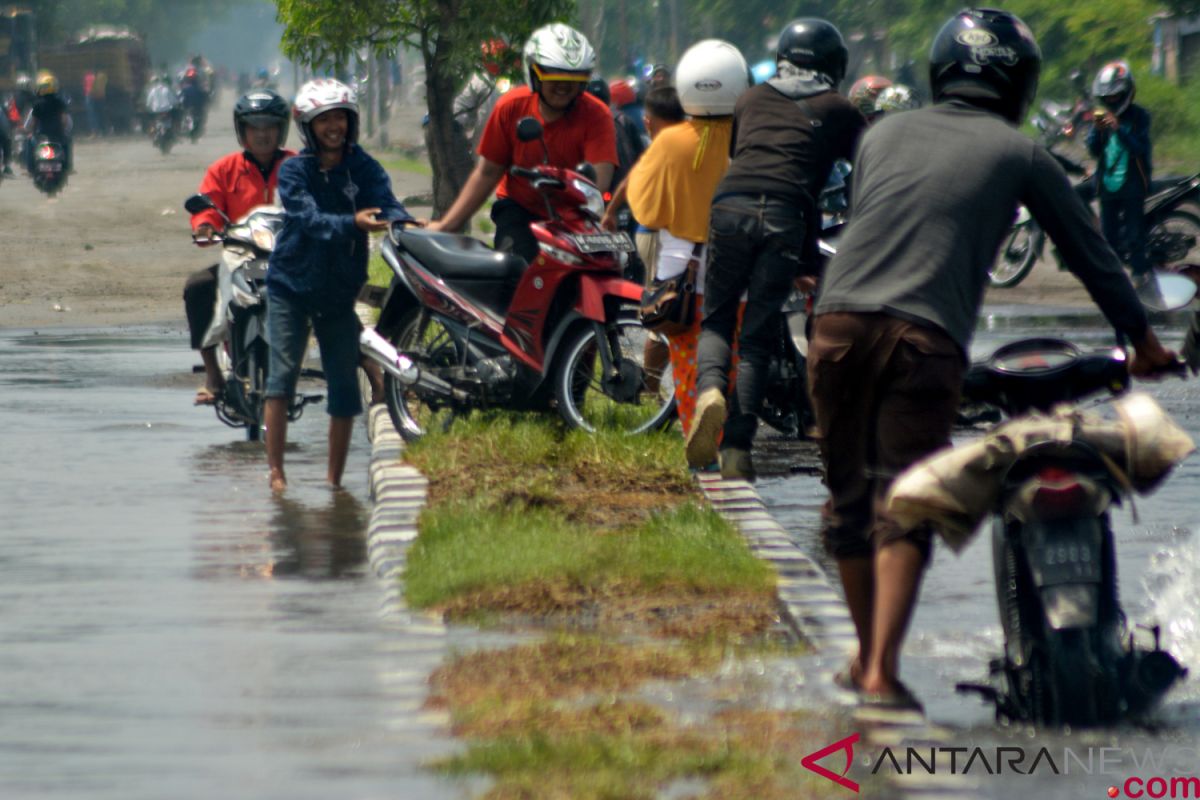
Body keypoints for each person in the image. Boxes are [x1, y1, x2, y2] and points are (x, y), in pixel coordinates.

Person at [807, 9, 1177, 711]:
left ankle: (865, 663)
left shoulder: (882, 132)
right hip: (926, 337)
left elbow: (874, 222)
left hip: (836, 324)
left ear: (941, 70)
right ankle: (882, 670)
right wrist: (1145, 341)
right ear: (1019, 85)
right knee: (904, 505)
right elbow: (1089, 252)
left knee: (849, 504)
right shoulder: (1021, 152)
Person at [686, 18, 867, 481]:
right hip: (784, 218)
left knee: (718, 320)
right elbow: (846, 180)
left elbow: (751, 160)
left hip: (728, 207)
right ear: (835, 65)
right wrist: (810, 259)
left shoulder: (748, 99)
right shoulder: (840, 109)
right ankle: (737, 453)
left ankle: (709, 391)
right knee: (757, 341)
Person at [264, 78, 415, 492]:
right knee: (281, 378)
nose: (334, 128)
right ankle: (276, 472)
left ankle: (333, 482)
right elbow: (306, 220)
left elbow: (386, 200)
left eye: (340, 119)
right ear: (307, 126)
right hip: (290, 286)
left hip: (338, 292)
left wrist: (405, 222)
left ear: (351, 121)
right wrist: (353, 222)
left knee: (345, 388)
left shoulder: (362, 166)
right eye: (324, 120)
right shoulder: (294, 171)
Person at [621, 41, 749, 436]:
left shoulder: (670, 141)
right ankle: (726, 425)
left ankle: (697, 423)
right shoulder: (750, 140)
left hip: (680, 267)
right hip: (737, 264)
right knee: (732, 349)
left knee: (687, 353)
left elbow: (645, 209)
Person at [427, 23, 616, 264]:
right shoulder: (510, 107)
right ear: (534, 74)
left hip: (576, 214)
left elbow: (599, 178)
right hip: (519, 209)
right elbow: (487, 172)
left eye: (573, 79)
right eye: (554, 77)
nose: (564, 86)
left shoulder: (597, 114)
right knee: (515, 270)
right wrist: (447, 225)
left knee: (604, 268)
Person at [186, 89, 296, 406]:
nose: (262, 134)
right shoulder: (222, 170)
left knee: (335, 298)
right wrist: (205, 227)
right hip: (240, 258)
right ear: (242, 130)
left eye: (269, 126)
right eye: (254, 126)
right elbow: (207, 207)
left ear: (281, 128)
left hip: (289, 258)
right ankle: (214, 375)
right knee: (197, 287)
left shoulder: (299, 166)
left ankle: (368, 369)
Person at [1087, 61, 1152, 283]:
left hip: (1133, 185)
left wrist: (1118, 128)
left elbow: (1139, 148)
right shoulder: (1101, 116)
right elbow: (1095, 151)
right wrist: (1096, 132)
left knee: (1135, 235)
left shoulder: (1139, 116)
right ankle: (1112, 279)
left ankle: (1140, 274)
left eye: (1115, 96)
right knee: (1109, 237)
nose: (1111, 101)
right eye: (1108, 98)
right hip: (1107, 186)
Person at [24, 71, 73, 172]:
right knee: (67, 142)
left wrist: (31, 133)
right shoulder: (60, 102)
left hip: (42, 135)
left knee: (28, 141)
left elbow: (33, 122)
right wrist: (63, 131)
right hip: (58, 134)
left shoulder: (37, 104)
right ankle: (68, 167)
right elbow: (64, 120)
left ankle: (30, 168)